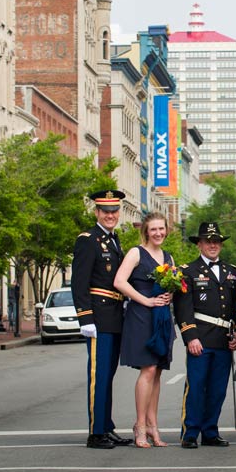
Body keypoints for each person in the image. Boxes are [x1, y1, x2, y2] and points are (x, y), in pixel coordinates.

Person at [70, 189, 133, 449]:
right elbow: (79, 283)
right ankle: (96, 433)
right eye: (105, 211)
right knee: (99, 375)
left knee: (108, 375)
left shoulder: (114, 240)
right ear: (96, 212)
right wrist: (85, 318)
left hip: (115, 316)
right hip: (98, 317)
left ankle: (106, 426)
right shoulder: (88, 240)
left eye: (114, 211)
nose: (110, 215)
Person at [173, 222, 236, 449]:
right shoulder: (188, 272)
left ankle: (210, 431)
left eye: (216, 241)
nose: (213, 245)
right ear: (199, 244)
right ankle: (190, 432)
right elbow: (183, 307)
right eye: (208, 241)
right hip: (200, 339)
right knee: (196, 386)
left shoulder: (232, 272)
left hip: (223, 340)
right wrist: (190, 336)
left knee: (217, 389)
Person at [114, 212, 175, 448]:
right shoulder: (136, 253)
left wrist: (171, 292)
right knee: (148, 369)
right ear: (146, 232)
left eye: (161, 229)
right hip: (141, 316)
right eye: (153, 230)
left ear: (166, 230)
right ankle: (140, 426)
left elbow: (175, 283)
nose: (158, 233)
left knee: (157, 371)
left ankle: (153, 426)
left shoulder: (168, 256)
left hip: (161, 319)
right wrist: (145, 300)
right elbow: (119, 281)